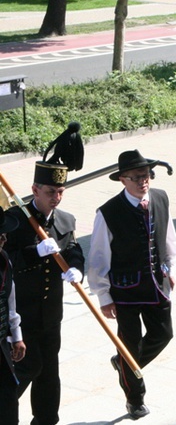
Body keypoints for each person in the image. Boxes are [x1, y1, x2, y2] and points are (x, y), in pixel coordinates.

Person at [88, 150, 176, 419]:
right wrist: (103, 295)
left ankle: (124, 363)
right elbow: (98, 256)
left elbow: (168, 237)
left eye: (147, 175)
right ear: (123, 180)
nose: (143, 181)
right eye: (137, 177)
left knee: (164, 334)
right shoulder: (108, 212)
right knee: (129, 343)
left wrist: (170, 267)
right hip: (124, 291)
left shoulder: (160, 198)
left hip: (156, 284)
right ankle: (134, 399)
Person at [5, 158, 85, 425]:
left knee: (49, 373)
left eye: (60, 191)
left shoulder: (65, 219)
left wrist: (76, 268)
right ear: (35, 190)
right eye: (51, 191)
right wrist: (34, 253)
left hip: (51, 313)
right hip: (22, 312)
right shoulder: (14, 221)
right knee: (28, 366)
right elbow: (6, 263)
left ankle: (46, 420)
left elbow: (73, 249)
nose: (57, 197)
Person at [0, 207, 26, 425]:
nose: (4, 239)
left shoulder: (4, 259)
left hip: (1, 345)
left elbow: (10, 298)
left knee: (8, 397)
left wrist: (16, 335)